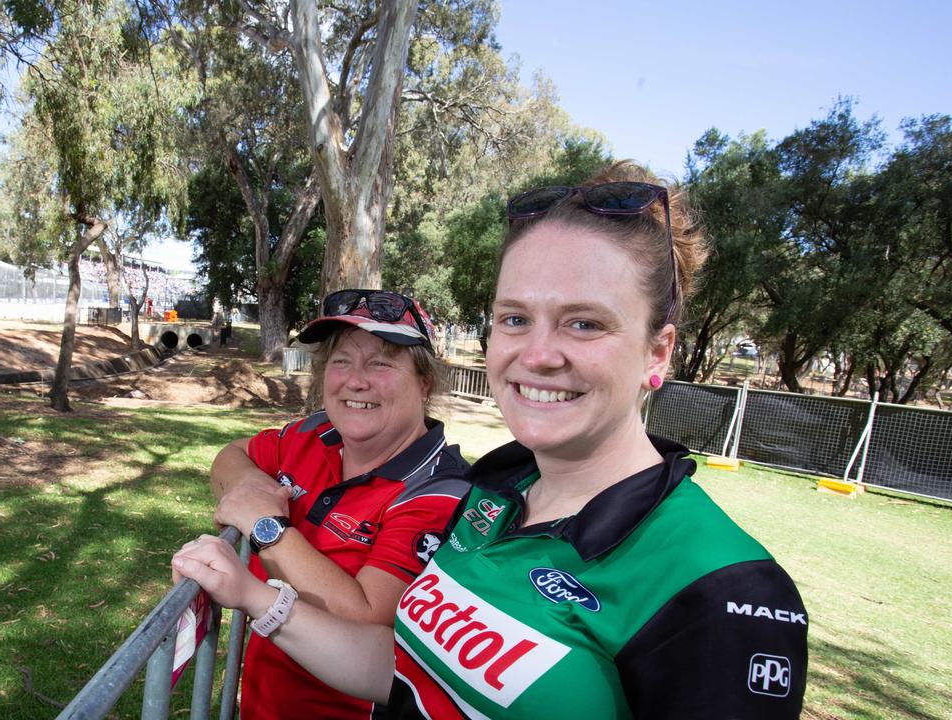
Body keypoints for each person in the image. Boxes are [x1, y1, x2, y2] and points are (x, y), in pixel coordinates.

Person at [173, 162, 809, 719]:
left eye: (584, 323)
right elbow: (403, 672)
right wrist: (253, 596)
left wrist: (267, 539)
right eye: (514, 318)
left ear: (657, 351)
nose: (538, 354)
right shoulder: (496, 494)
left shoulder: (721, 589)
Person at [207, 289, 472, 719]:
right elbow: (228, 458)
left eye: (381, 362)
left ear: (424, 382)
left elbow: (366, 617)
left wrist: (265, 527)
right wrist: (254, 487)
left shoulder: (439, 490)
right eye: (341, 361)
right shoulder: (313, 435)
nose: (355, 380)